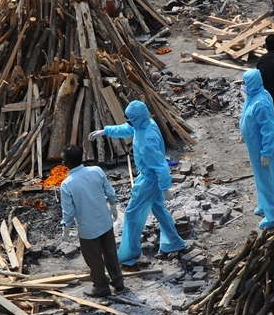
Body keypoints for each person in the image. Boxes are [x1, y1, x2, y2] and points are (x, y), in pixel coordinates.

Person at [88, 101, 185, 267]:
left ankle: (128, 254)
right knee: (158, 209)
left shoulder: (147, 141)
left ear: (137, 119)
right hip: (150, 177)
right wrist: (106, 131)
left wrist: (165, 188)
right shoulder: (146, 123)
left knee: (132, 214)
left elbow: (161, 166)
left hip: (149, 181)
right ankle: (173, 242)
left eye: (130, 119)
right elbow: (128, 129)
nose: (128, 122)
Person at [58, 144, 124, 298]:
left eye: (63, 160)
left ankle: (101, 287)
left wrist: (66, 228)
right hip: (105, 222)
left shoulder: (67, 184)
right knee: (111, 254)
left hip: (88, 230)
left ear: (66, 163)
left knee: (94, 260)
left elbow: (68, 212)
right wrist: (113, 205)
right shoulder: (96, 171)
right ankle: (118, 283)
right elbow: (109, 191)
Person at [240, 69, 274, 230]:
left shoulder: (261, 103)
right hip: (256, 146)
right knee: (261, 178)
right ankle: (264, 205)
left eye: (245, 83)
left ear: (252, 83)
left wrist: (266, 153)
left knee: (268, 181)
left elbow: (270, 129)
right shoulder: (255, 95)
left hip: (264, 148)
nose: (243, 86)